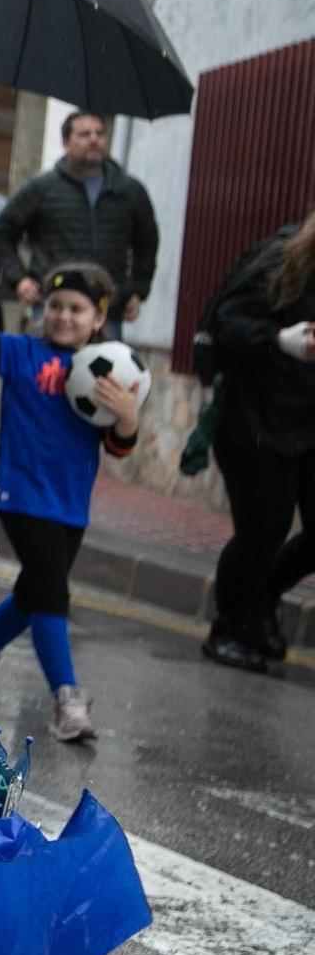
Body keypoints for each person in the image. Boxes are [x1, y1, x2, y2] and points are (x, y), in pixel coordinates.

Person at [0, 260, 137, 741]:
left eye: (76, 308)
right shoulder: (22, 353)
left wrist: (128, 417)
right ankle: (66, 701)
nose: (63, 316)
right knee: (52, 596)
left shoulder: (108, 370)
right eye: (55, 306)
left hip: (71, 504)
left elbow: (119, 443)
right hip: (23, 495)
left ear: (98, 317)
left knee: (33, 595)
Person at [199, 209, 315, 671]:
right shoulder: (283, 256)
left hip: (309, 424)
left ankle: (262, 598)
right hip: (256, 420)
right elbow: (226, 323)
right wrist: (279, 338)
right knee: (262, 532)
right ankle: (228, 625)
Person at [0, 111, 160, 331]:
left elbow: (148, 243)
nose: (94, 139)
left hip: (107, 308)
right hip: (53, 305)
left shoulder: (129, 191)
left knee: (103, 366)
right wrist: (19, 280)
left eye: (99, 133)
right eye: (84, 134)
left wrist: (137, 290)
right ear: (66, 142)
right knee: (51, 367)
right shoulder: (42, 188)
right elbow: (0, 233)